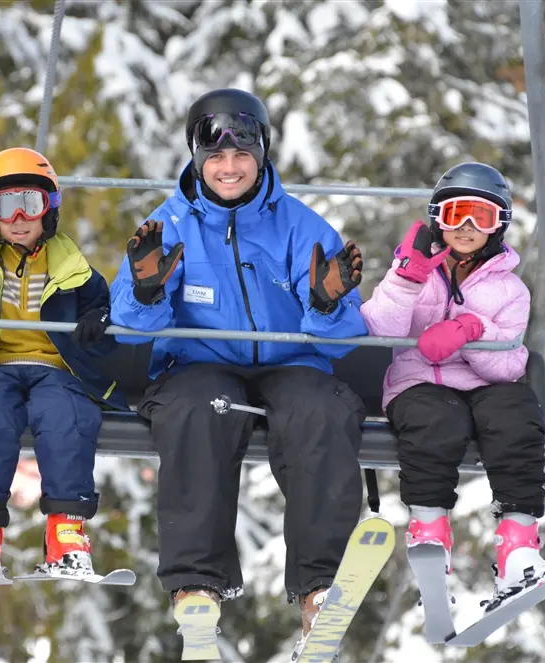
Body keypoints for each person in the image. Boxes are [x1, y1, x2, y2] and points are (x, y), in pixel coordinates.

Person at [108, 89, 369, 653]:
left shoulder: (298, 226)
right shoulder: (170, 223)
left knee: (318, 411)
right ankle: (196, 586)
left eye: (242, 156)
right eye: (216, 159)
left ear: (263, 154)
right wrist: (148, 291)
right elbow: (127, 326)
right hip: (200, 362)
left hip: (290, 362)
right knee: (197, 411)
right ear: (198, 160)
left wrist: (325, 307)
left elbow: (346, 339)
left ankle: (319, 586)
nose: (229, 169)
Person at [0, 147, 126, 577]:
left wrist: (97, 320)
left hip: (56, 369)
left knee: (67, 415)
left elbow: (104, 313)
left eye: (28, 205)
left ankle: (67, 534)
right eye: (5, 206)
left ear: (48, 209)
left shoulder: (72, 266)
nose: (18, 218)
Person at [360, 162, 545, 608]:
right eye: (456, 214)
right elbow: (378, 329)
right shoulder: (415, 271)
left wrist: (472, 331)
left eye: (480, 217)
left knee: (517, 414)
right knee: (436, 419)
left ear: (498, 226)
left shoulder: (511, 291)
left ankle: (519, 547)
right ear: (437, 218)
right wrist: (406, 278)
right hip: (418, 381)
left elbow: (508, 367)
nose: (466, 227)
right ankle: (429, 530)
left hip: (485, 385)